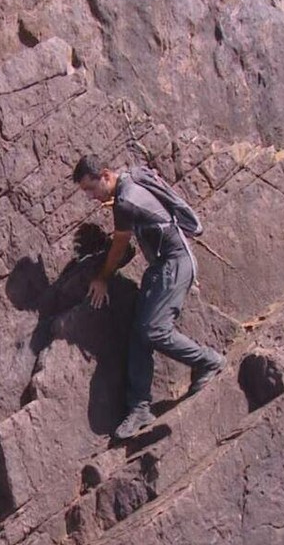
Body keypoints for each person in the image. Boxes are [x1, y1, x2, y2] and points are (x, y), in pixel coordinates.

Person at [72, 154, 225, 439]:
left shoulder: (126, 201)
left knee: (154, 330)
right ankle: (140, 408)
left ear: (105, 175)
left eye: (91, 189)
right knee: (139, 334)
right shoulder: (128, 185)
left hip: (175, 263)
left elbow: (119, 247)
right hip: (162, 266)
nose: (91, 197)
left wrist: (102, 278)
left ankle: (208, 361)